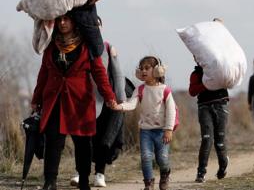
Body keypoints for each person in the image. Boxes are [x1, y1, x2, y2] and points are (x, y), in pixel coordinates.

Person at [31, 14, 117, 190]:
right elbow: (43, 74)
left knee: (83, 143)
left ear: (74, 21)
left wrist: (109, 97)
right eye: (59, 19)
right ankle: (50, 182)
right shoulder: (50, 45)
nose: (62, 23)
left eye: (67, 19)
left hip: (80, 102)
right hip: (54, 100)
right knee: (53, 142)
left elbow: (99, 73)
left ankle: (84, 182)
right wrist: (36, 98)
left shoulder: (87, 46)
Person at [70, 18, 127, 187]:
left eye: (96, 25)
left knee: (102, 138)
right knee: (82, 139)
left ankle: (100, 173)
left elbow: (117, 74)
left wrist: (120, 99)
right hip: (81, 100)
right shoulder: (75, 46)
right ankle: (80, 172)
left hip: (105, 100)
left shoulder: (108, 47)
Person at [114, 56, 176, 190]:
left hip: (162, 131)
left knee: (162, 158)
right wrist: (120, 107)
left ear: (158, 70)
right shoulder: (140, 89)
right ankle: (149, 182)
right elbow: (132, 104)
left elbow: (171, 111)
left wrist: (169, 129)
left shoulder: (165, 90)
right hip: (146, 131)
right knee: (146, 157)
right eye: (141, 68)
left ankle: (165, 174)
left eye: (147, 68)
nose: (143, 71)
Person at [189, 55, 229, 183]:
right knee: (207, 139)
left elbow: (227, 80)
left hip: (220, 105)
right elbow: (192, 91)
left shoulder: (219, 68)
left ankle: (223, 166)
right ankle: (201, 173)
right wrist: (206, 85)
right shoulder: (195, 74)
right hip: (204, 107)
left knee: (219, 142)